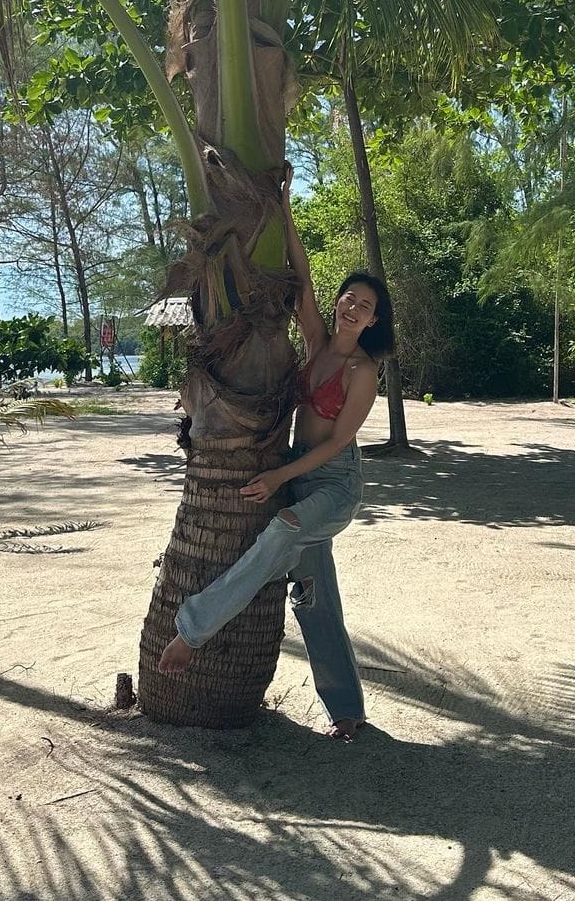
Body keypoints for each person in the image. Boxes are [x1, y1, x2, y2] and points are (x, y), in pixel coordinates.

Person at [158, 165, 395, 740]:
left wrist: (280, 477)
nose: (352, 307)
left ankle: (192, 631)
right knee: (315, 599)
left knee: (281, 532)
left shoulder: (364, 371)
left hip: (333, 485)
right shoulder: (316, 344)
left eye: (365, 305)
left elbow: (338, 441)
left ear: (374, 320)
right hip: (297, 472)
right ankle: (348, 712)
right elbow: (302, 276)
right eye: (349, 298)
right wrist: (284, 205)